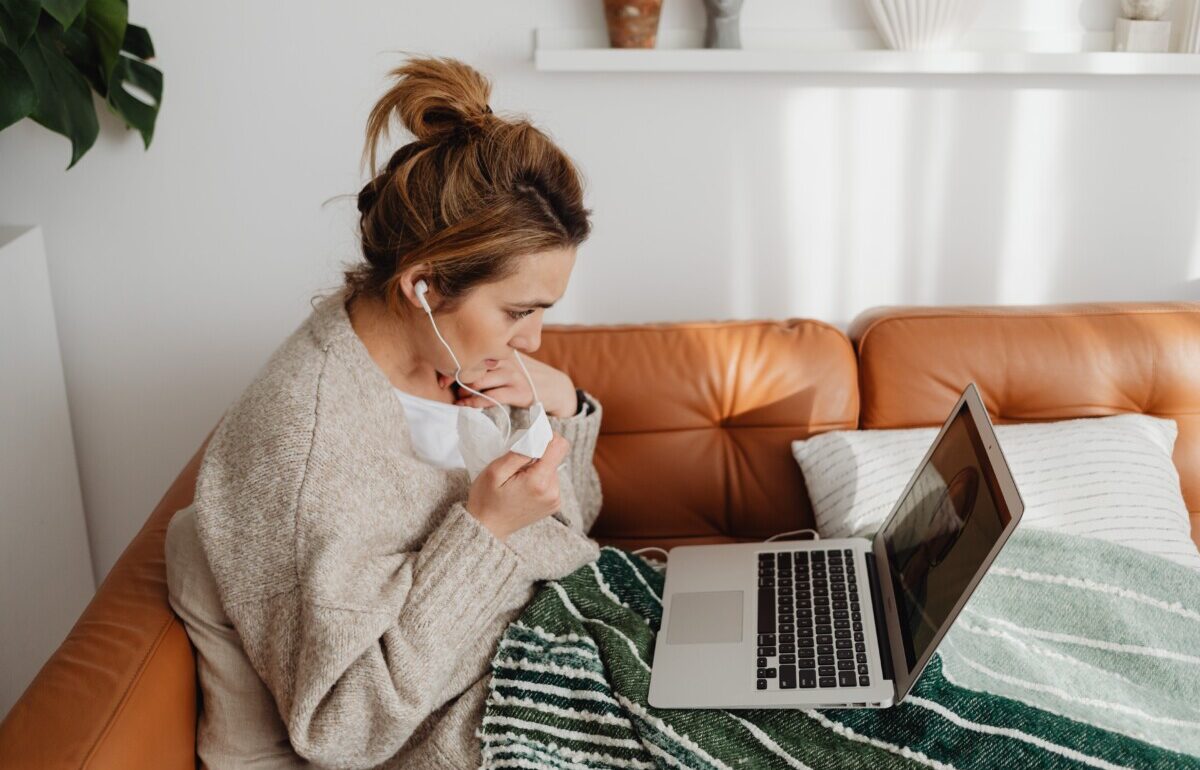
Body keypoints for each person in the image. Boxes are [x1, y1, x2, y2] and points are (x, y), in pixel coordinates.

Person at [164, 55, 604, 769]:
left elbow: (569, 534)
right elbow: (347, 727)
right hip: (492, 733)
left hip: (572, 647)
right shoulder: (306, 446)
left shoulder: (459, 362)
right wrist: (484, 531)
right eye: (520, 312)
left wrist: (563, 406)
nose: (533, 339)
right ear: (425, 285)